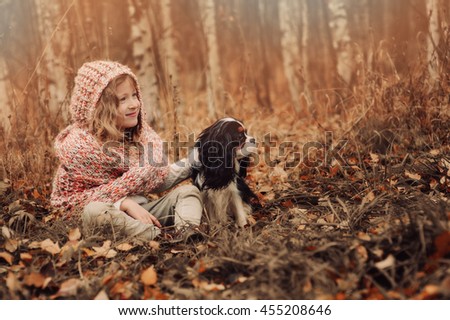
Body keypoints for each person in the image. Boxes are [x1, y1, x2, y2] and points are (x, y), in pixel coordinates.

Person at [51, 60, 203, 242]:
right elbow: (68, 208)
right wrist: (122, 203)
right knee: (94, 211)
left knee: (187, 192)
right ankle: (158, 237)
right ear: (98, 108)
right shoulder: (78, 149)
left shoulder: (139, 138)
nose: (134, 104)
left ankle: (186, 233)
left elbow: (158, 178)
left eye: (134, 95)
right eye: (123, 99)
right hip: (112, 217)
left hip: (146, 213)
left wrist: (198, 160)